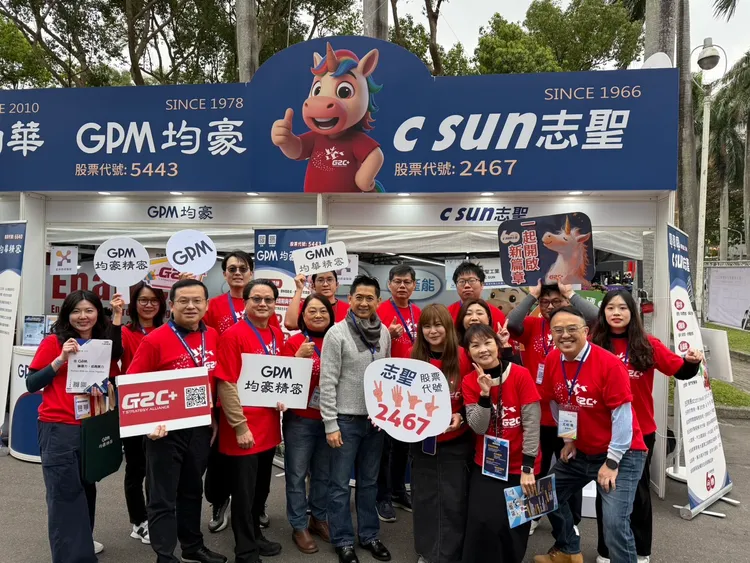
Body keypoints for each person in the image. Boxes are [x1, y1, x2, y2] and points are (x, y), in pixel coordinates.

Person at [591, 290, 703, 563]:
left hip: (640, 433)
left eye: (623, 308)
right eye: (610, 308)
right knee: (604, 490)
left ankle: (641, 551)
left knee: (638, 493)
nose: (616, 313)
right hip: (602, 432)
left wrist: (692, 361)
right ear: (603, 313)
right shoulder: (593, 343)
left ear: (633, 312)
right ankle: (606, 550)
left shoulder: (647, 344)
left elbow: (680, 370)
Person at [533, 306, 648, 563]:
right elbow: (558, 402)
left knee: (614, 525)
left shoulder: (609, 364)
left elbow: (623, 416)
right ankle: (568, 549)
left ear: (586, 331)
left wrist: (612, 462)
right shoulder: (552, 360)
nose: (565, 335)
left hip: (622, 453)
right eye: (558, 330)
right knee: (541, 496)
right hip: (582, 450)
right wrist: (569, 439)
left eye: (572, 329)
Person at [127, 279, 226, 563]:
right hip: (165, 431)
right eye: (183, 301)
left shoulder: (212, 336)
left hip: (199, 427)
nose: (191, 306)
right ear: (171, 305)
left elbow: (214, 380)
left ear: (206, 305)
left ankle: (192, 546)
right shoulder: (154, 340)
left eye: (197, 300)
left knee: (192, 490)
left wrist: (212, 416)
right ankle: (165, 555)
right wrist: (148, 424)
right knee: (162, 496)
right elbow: (132, 386)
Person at [27, 289, 125, 562]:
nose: (83, 316)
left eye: (89, 310)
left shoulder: (101, 345)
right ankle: (74, 556)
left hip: (91, 426)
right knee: (65, 495)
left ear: (98, 313)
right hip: (59, 427)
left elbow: (113, 381)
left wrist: (105, 389)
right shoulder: (53, 342)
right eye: (76, 311)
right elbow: (32, 383)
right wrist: (60, 359)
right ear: (67, 314)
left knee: (86, 487)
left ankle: (82, 542)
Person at [507, 281, 598, 534]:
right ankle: (534, 515)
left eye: (556, 301)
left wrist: (570, 293)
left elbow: (596, 318)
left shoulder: (574, 328)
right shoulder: (533, 325)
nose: (549, 306)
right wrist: (532, 295)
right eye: (545, 302)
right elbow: (512, 324)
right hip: (536, 414)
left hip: (567, 414)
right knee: (536, 468)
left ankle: (572, 522)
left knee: (570, 469)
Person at [320, 275, 392, 563]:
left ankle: (370, 535)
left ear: (378, 301)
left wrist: (387, 414)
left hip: (375, 422)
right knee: (339, 485)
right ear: (349, 299)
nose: (364, 303)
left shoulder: (384, 333)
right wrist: (330, 423)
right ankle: (343, 540)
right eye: (358, 297)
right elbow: (328, 381)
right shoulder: (336, 334)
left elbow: (386, 377)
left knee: (369, 483)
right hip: (345, 421)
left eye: (369, 298)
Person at [214, 279, 285, 562]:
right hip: (243, 428)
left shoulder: (276, 335)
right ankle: (244, 549)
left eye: (268, 299)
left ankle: (256, 535)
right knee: (243, 492)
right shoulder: (233, 335)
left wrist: (284, 397)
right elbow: (225, 383)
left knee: (260, 489)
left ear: (275, 303)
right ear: (245, 302)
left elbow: (280, 376)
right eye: (256, 298)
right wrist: (240, 426)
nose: (263, 304)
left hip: (269, 426)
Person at [462, 324, 541, 563]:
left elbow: (531, 423)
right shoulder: (469, 381)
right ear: (468, 352)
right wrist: (484, 394)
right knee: (482, 521)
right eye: (475, 345)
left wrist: (528, 467)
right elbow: (478, 427)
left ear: (498, 345)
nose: (483, 350)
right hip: (488, 464)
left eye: (487, 343)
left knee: (515, 526)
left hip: (521, 465)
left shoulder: (521, 374)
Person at [409, 304, 473, 563]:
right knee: (424, 498)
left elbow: (475, 399)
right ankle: (427, 552)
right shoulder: (413, 357)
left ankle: (449, 554)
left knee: (453, 499)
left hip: (455, 441)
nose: (433, 331)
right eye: (426, 326)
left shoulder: (464, 356)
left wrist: (463, 416)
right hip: (422, 441)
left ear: (448, 327)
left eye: (438, 325)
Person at [203, 251, 255, 534]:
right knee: (219, 453)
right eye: (232, 268)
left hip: (254, 391)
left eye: (242, 268)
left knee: (250, 454)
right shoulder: (214, 306)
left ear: (251, 273)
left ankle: (252, 506)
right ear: (224, 274)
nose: (237, 273)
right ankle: (219, 500)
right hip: (221, 386)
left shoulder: (259, 303)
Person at [281, 293, 335, 554]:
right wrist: (298, 358)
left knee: (323, 473)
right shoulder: (294, 342)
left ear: (331, 315)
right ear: (302, 316)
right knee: (296, 474)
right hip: (300, 420)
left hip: (329, 419)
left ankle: (318, 517)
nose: (318, 315)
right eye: (312, 311)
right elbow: (281, 381)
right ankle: (299, 524)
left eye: (323, 311)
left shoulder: (337, 340)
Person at [121, 282, 168, 545]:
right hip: (134, 405)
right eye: (143, 300)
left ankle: (156, 517)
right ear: (134, 303)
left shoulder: (169, 331)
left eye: (154, 300)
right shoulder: (125, 332)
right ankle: (138, 521)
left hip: (163, 405)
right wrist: (116, 317)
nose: (148, 305)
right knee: (136, 467)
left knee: (158, 468)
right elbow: (114, 354)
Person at [375, 265, 422, 522]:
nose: (402, 286)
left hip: (411, 388)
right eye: (397, 281)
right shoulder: (379, 311)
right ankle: (381, 496)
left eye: (407, 282)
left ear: (414, 285)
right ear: (389, 284)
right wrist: (387, 334)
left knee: (404, 444)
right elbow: (367, 345)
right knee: (384, 446)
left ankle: (397, 490)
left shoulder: (418, 312)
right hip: (386, 387)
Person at [447, 261, 506, 327]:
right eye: (462, 281)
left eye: (472, 280)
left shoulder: (496, 314)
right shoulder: (447, 313)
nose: (467, 285)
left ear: (482, 284)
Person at [284, 271, 350, 330]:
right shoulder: (306, 306)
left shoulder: (348, 309)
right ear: (313, 286)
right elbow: (290, 324)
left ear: (337, 285)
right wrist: (299, 289)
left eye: (329, 280)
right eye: (320, 280)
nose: (325, 284)